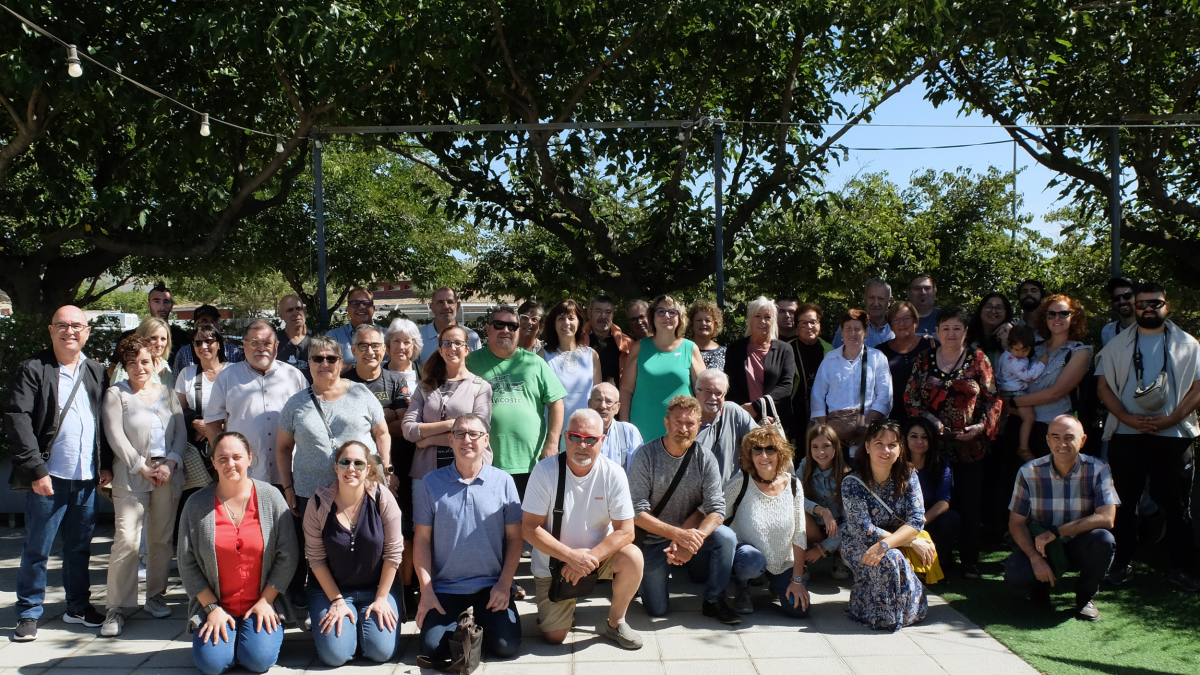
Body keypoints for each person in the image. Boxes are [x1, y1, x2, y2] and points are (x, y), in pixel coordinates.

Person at [8, 306, 111, 642]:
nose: (70, 331)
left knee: (80, 547)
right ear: (51, 330)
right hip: (49, 476)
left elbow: (104, 422)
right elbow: (17, 418)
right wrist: (36, 469)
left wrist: (105, 463)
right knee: (38, 546)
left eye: (77, 326)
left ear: (87, 331)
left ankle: (78, 606)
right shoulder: (34, 369)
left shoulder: (95, 371)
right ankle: (28, 611)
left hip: (87, 476)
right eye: (62, 326)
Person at [1096, 282, 1200, 591]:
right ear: (1134, 307)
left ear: (1167, 305)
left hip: (1174, 435)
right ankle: (1122, 563)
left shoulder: (1189, 345)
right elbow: (1103, 387)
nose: (1148, 308)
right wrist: (1127, 418)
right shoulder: (1116, 346)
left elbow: (1197, 388)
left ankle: (1181, 567)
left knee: (1178, 505)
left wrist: (1171, 418)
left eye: (1155, 303)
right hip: (1127, 435)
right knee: (1124, 503)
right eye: (1142, 304)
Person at [277, 335, 391, 606]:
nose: (324, 363)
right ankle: (319, 603)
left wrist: (387, 466)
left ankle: (369, 598)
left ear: (341, 362)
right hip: (311, 491)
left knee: (363, 544)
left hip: (361, 490)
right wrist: (288, 488)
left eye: (331, 358)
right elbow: (282, 448)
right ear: (309, 363)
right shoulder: (296, 404)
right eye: (318, 358)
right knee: (317, 550)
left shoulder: (361, 393)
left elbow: (382, 432)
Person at [521, 409, 645, 648]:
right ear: (565, 437)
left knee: (633, 557)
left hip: (597, 557)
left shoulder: (614, 473)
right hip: (554, 563)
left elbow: (627, 531)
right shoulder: (545, 471)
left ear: (602, 441)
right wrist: (570, 557)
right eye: (576, 437)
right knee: (555, 637)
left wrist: (587, 559)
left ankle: (616, 621)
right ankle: (561, 609)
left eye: (590, 439)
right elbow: (529, 528)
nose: (582, 445)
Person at [177, 432, 298, 675]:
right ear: (213, 462)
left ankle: (251, 639)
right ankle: (230, 640)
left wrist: (266, 601)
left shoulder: (271, 498)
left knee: (258, 661)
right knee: (212, 665)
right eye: (222, 458)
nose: (230, 464)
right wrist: (211, 609)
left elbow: (288, 553)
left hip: (262, 602)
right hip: (217, 605)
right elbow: (186, 561)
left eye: (237, 457)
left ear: (250, 458)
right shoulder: (196, 503)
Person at [414, 414, 523, 663]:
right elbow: (421, 540)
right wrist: (426, 591)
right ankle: (466, 624)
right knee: (432, 648)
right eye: (460, 434)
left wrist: (505, 584)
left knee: (506, 646)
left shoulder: (503, 481)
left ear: (486, 440)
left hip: (490, 585)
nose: (467, 440)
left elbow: (515, 538)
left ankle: (473, 624)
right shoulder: (431, 483)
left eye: (474, 434)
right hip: (445, 587)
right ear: (450, 440)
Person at [904, 306, 1002, 578]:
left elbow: (993, 399)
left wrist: (981, 427)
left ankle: (970, 560)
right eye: (945, 328)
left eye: (957, 328)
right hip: (930, 448)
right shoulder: (924, 359)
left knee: (970, 504)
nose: (951, 333)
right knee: (933, 503)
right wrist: (929, 421)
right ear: (936, 331)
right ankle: (938, 556)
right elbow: (910, 399)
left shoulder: (978, 359)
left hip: (970, 446)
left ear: (966, 331)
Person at [99, 335, 187, 636]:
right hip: (132, 474)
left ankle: (155, 596)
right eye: (133, 362)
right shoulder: (116, 394)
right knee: (127, 540)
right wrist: (142, 467)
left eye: (145, 361)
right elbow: (115, 436)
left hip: (166, 474)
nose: (140, 367)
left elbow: (180, 433)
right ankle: (116, 607)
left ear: (155, 363)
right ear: (125, 365)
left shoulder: (167, 392)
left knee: (161, 539)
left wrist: (170, 463)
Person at [628, 395, 739, 624]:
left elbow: (717, 508)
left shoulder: (705, 458)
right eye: (678, 422)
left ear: (699, 426)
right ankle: (646, 580)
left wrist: (692, 540)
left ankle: (714, 599)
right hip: (653, 539)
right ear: (666, 423)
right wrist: (678, 535)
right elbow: (637, 512)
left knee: (726, 537)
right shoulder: (646, 455)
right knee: (657, 610)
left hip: (692, 537)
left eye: (690, 423)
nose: (684, 428)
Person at [1004, 416, 1118, 621]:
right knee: (1016, 572)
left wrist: (1056, 532)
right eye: (1055, 437)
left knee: (1104, 540)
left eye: (1069, 437)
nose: (1062, 443)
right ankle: (1040, 589)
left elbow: (1107, 518)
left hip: (1079, 545)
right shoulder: (1028, 472)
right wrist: (1034, 557)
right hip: (1042, 548)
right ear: (1048, 440)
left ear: (1082, 440)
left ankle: (1085, 596)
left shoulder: (1099, 469)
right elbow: (1016, 522)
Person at [303, 441, 404, 666]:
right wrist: (337, 601)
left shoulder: (382, 498)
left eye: (358, 463)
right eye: (345, 462)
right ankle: (348, 630)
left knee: (381, 652)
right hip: (331, 592)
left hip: (378, 589)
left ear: (368, 469)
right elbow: (315, 558)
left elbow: (393, 554)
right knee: (334, 656)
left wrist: (381, 599)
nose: (351, 468)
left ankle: (360, 628)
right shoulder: (318, 504)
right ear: (336, 467)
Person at [841, 419, 932, 631]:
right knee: (892, 557)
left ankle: (888, 611)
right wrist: (908, 543)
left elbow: (917, 519)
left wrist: (886, 545)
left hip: (891, 542)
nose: (886, 450)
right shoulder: (852, 483)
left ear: (900, 449)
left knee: (890, 556)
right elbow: (863, 528)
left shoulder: (909, 476)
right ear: (867, 446)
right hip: (858, 543)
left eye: (892, 444)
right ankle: (881, 612)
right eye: (879, 443)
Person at [468, 307, 566, 497]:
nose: (506, 330)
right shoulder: (470, 362)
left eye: (512, 326)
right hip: (484, 461)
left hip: (529, 462)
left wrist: (553, 443)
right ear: (488, 329)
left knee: (527, 523)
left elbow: (557, 402)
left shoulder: (534, 362)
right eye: (499, 325)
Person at [204, 320, 308, 484]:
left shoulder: (294, 377)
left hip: (289, 474)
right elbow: (212, 424)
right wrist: (224, 459)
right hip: (245, 474)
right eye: (254, 343)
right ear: (244, 344)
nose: (261, 348)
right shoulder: (227, 377)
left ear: (276, 345)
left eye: (267, 343)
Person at [722, 427, 810, 617]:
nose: (764, 455)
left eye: (770, 449)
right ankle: (742, 587)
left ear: (780, 453)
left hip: (782, 560)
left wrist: (797, 579)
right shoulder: (742, 481)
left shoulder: (794, 484)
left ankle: (777, 583)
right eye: (757, 449)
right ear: (749, 454)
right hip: (749, 557)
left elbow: (800, 533)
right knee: (752, 560)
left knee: (799, 610)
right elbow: (715, 513)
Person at [404, 324, 494, 481]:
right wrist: (451, 425)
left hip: (469, 474)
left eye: (458, 343)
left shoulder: (481, 387)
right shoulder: (425, 387)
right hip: (426, 473)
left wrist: (430, 440)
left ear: (467, 349)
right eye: (446, 343)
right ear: (440, 350)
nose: (452, 347)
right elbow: (409, 430)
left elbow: (477, 434)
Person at [1011, 295, 1092, 460]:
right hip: (1019, 425)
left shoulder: (1079, 351)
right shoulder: (1033, 348)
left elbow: (1054, 393)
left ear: (1074, 317)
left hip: (1054, 433)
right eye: (1051, 314)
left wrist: (1012, 402)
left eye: (1063, 313)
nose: (1057, 318)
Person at [620, 294, 706, 442]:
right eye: (660, 311)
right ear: (652, 317)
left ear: (680, 318)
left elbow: (704, 392)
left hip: (682, 429)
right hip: (643, 427)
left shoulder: (690, 348)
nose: (666, 316)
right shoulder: (639, 347)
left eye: (672, 312)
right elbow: (626, 391)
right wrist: (624, 426)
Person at [810, 309, 892, 453]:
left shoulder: (877, 358)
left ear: (865, 332)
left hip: (868, 433)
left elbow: (885, 397)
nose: (852, 333)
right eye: (848, 329)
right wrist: (828, 432)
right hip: (834, 435)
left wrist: (865, 428)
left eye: (857, 329)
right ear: (841, 332)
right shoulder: (829, 359)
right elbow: (817, 397)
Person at [723, 297, 796, 433]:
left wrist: (757, 408)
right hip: (742, 420)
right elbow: (729, 385)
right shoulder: (735, 349)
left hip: (774, 422)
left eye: (767, 317)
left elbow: (786, 386)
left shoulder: (785, 349)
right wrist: (747, 413)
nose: (762, 321)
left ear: (773, 321)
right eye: (757, 316)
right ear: (750, 319)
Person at [542, 299, 602, 448]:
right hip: (554, 435)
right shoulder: (542, 356)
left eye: (571, 318)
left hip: (586, 436)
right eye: (561, 318)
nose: (566, 323)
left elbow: (598, 399)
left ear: (579, 322)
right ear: (553, 324)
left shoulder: (591, 355)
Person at [345, 324, 410, 460]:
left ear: (384, 349)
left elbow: (403, 426)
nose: (370, 351)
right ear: (353, 350)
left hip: (397, 461)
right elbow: (343, 427)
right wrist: (387, 413)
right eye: (363, 346)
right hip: (355, 464)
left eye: (375, 345)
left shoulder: (397, 381)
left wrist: (362, 424)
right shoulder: (343, 384)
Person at [904, 417, 960, 567]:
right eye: (914, 436)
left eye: (924, 437)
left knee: (951, 518)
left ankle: (935, 563)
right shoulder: (896, 463)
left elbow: (943, 501)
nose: (919, 441)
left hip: (927, 520)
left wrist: (919, 523)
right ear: (905, 438)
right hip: (900, 521)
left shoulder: (941, 463)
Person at [797, 425, 851, 580]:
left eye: (826, 446)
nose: (821, 452)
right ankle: (800, 561)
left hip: (838, 529)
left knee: (849, 554)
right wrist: (821, 510)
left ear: (835, 447)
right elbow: (795, 497)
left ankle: (838, 556)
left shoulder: (846, 475)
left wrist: (823, 548)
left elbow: (850, 521)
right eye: (815, 447)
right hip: (814, 527)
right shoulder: (805, 466)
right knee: (796, 512)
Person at [693, 369, 759, 483]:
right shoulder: (685, 422)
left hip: (730, 495)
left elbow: (760, 441)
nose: (713, 397)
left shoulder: (732, 412)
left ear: (725, 395)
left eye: (718, 393)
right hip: (697, 497)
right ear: (696, 392)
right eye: (707, 391)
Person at [877, 301, 936, 427]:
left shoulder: (932, 347)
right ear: (891, 326)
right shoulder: (879, 352)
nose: (901, 324)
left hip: (927, 419)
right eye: (896, 320)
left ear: (916, 322)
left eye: (906, 319)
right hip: (891, 420)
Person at [112, 281, 191, 366]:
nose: (162, 307)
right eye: (156, 301)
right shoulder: (129, 337)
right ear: (148, 305)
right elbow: (113, 368)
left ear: (171, 306)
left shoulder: (183, 338)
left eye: (166, 302)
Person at [996, 325, 1046, 457]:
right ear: (1009, 345)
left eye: (1025, 350)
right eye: (1017, 349)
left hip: (1009, 389)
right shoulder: (1012, 360)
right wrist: (1041, 363)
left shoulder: (1007, 355)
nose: (1020, 353)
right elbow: (1028, 376)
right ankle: (1023, 447)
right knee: (1029, 418)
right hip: (1014, 392)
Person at [788, 302, 833, 436]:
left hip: (824, 414)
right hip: (795, 411)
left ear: (820, 325)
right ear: (796, 326)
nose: (809, 327)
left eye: (813, 322)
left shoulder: (831, 351)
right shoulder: (786, 349)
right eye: (804, 323)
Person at [418, 286, 483, 363]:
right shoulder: (418, 338)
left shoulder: (471, 337)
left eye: (450, 302)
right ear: (432, 307)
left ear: (457, 306)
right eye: (440, 302)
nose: (445, 306)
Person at [588, 383, 643, 471]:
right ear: (589, 403)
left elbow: (639, 471)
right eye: (598, 400)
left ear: (617, 407)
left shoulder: (629, 432)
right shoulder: (578, 430)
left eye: (609, 401)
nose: (603, 405)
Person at [580, 294, 633, 385]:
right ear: (589, 313)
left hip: (615, 397)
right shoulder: (578, 340)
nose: (603, 316)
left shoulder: (627, 344)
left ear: (612, 315)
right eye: (598, 311)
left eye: (608, 312)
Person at [174, 304, 244, 373]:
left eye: (214, 320)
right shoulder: (184, 354)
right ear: (196, 325)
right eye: (204, 320)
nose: (210, 324)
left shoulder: (233, 352)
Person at [110, 317, 175, 388]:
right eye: (153, 338)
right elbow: (118, 396)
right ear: (141, 338)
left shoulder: (164, 365)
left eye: (163, 339)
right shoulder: (126, 366)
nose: (159, 344)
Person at [326, 288, 383, 368]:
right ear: (348, 309)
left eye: (366, 303)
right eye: (355, 303)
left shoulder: (387, 335)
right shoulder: (334, 337)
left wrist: (347, 366)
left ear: (373, 308)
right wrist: (362, 365)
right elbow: (329, 367)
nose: (361, 307)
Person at [833, 279, 895, 348]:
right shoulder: (849, 327)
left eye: (881, 299)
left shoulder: (897, 328)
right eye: (872, 298)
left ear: (889, 301)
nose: (875, 303)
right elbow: (834, 356)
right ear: (864, 298)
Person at [966, 292, 1014, 366]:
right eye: (988, 307)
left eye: (999, 308)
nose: (993, 311)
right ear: (980, 310)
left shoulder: (1014, 335)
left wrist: (1007, 346)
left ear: (1006, 313)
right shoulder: (965, 334)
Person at [275, 295, 311, 377]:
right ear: (281, 315)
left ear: (304, 310)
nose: (296, 313)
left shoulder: (318, 339)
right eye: (290, 310)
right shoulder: (274, 342)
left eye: (298, 308)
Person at [689, 299, 727, 370]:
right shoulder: (685, 350)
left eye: (708, 320)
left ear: (715, 324)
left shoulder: (725, 352)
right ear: (691, 324)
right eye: (699, 320)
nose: (703, 323)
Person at [1100, 277, 1137, 347]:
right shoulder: (1108, 331)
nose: (1122, 301)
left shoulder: (1149, 328)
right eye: (1116, 298)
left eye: (1127, 296)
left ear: (1137, 298)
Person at [385, 317, 424, 383]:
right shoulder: (377, 374)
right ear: (389, 344)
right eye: (396, 341)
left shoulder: (425, 374)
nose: (401, 347)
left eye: (406, 342)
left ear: (414, 346)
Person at [907, 275, 939, 339]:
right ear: (908, 292)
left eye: (927, 288)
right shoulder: (898, 319)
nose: (923, 292)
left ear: (935, 291)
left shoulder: (945, 318)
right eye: (917, 289)